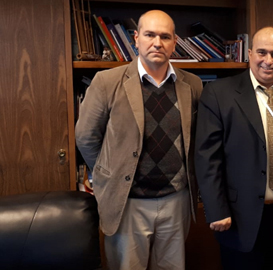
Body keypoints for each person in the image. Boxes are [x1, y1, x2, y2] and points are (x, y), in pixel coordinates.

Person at [75, 10, 203, 270]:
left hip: (176, 201)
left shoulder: (193, 84)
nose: (157, 43)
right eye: (150, 35)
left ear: (174, 42)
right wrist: (109, 173)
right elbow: (86, 137)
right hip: (127, 204)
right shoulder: (106, 82)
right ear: (136, 38)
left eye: (165, 37)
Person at [195, 26, 273, 270]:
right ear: (249, 54)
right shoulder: (219, 93)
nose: (268, 61)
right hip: (240, 215)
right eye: (261, 53)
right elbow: (207, 157)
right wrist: (216, 209)